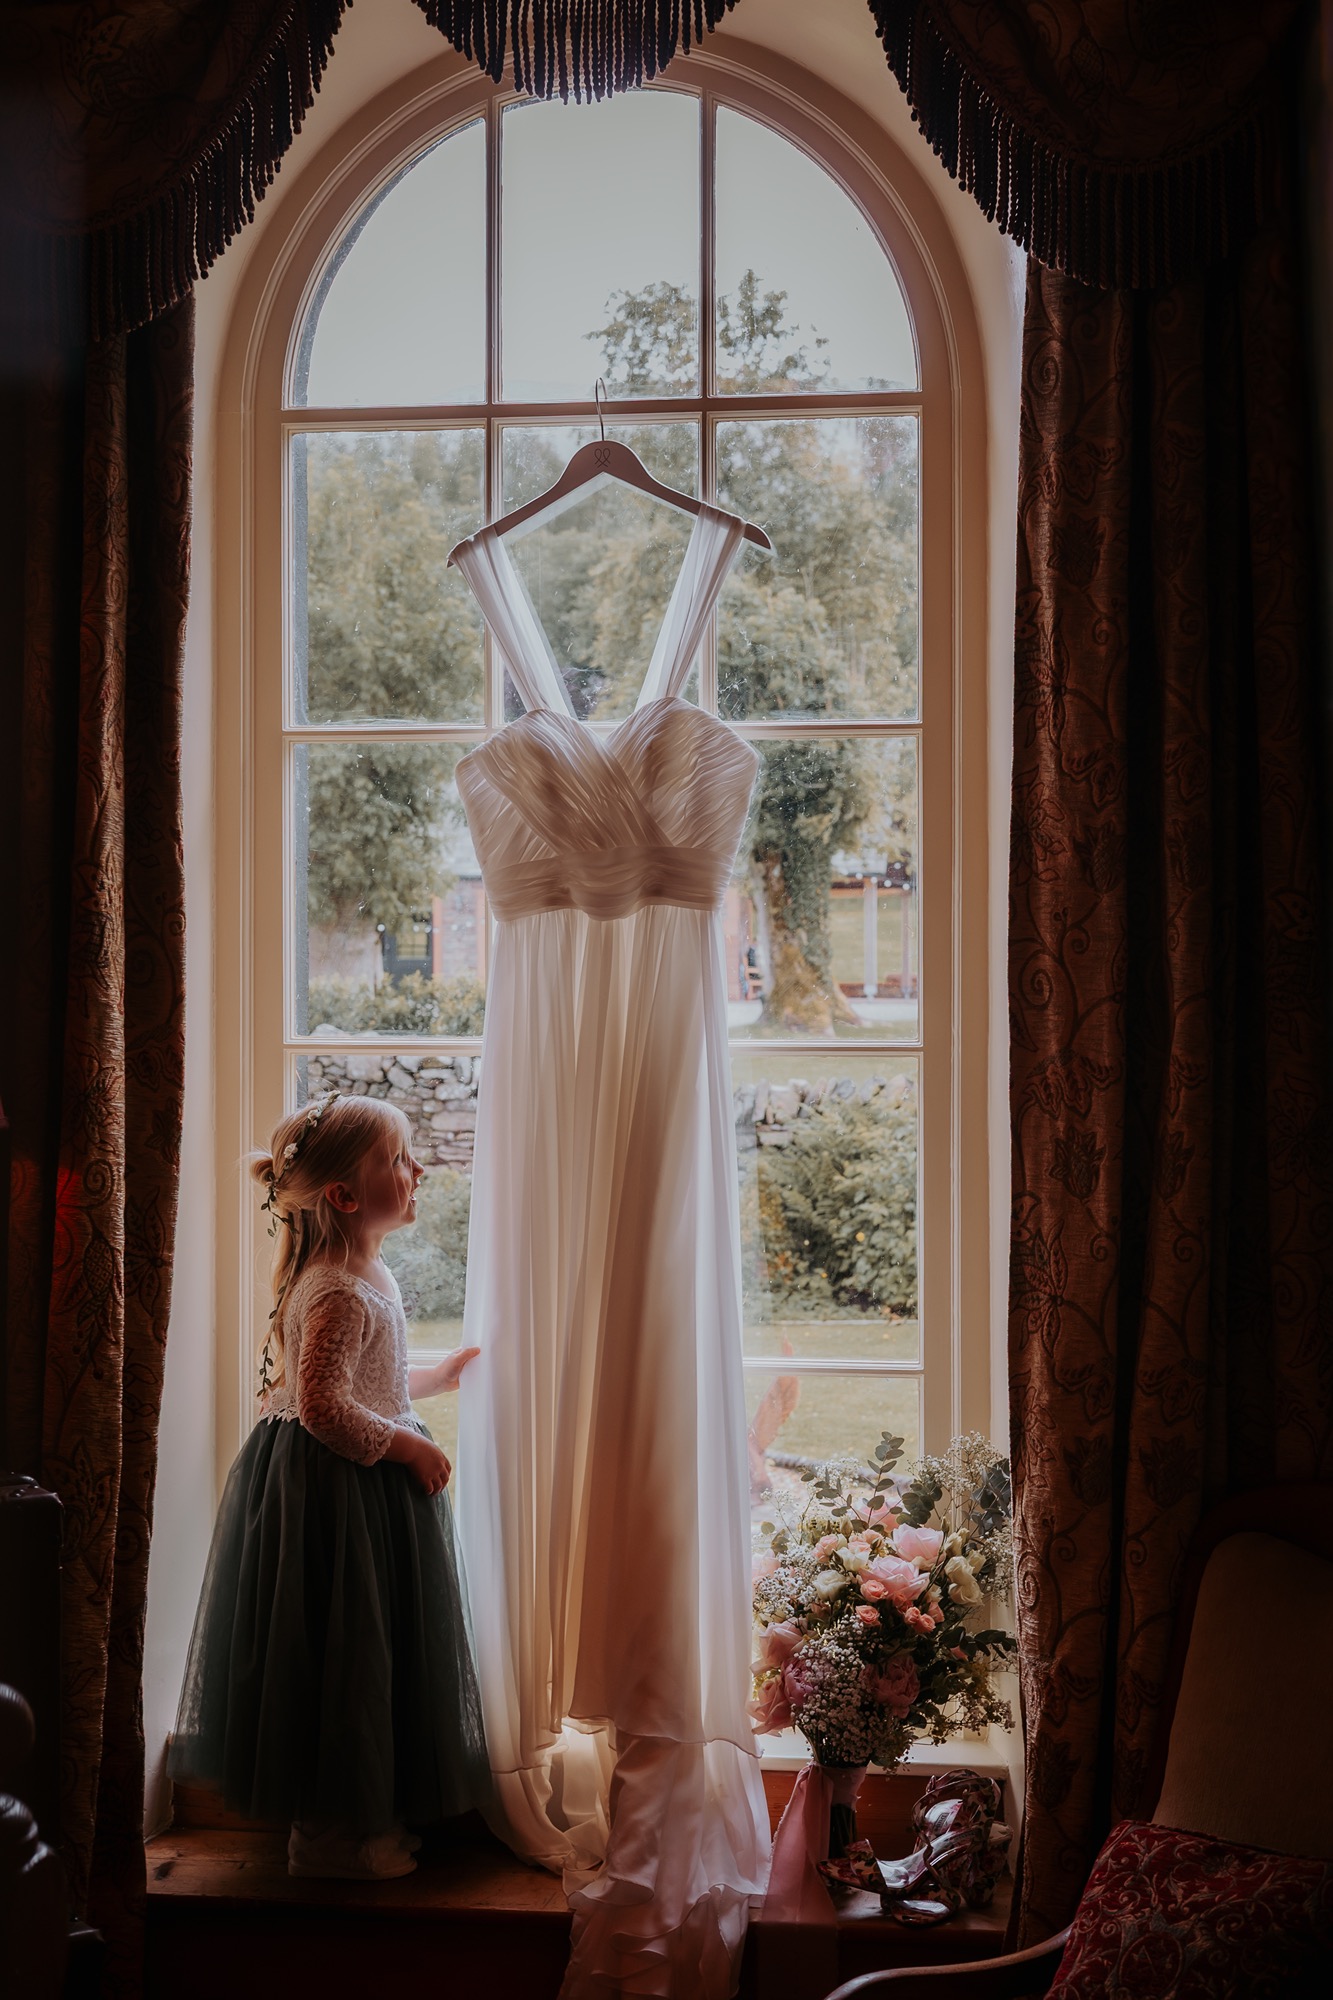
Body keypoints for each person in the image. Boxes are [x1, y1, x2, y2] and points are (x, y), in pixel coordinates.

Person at [168, 1092, 488, 1879]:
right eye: (398, 1161)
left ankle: (359, 1820)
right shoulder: (338, 1285)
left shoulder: (362, 1269)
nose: (417, 1171)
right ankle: (332, 1838)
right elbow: (322, 1407)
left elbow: (365, 1380)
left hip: (350, 1477)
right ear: (345, 1196)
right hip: (331, 1487)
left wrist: (434, 1379)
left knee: (365, 1658)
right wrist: (408, 1449)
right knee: (341, 1661)